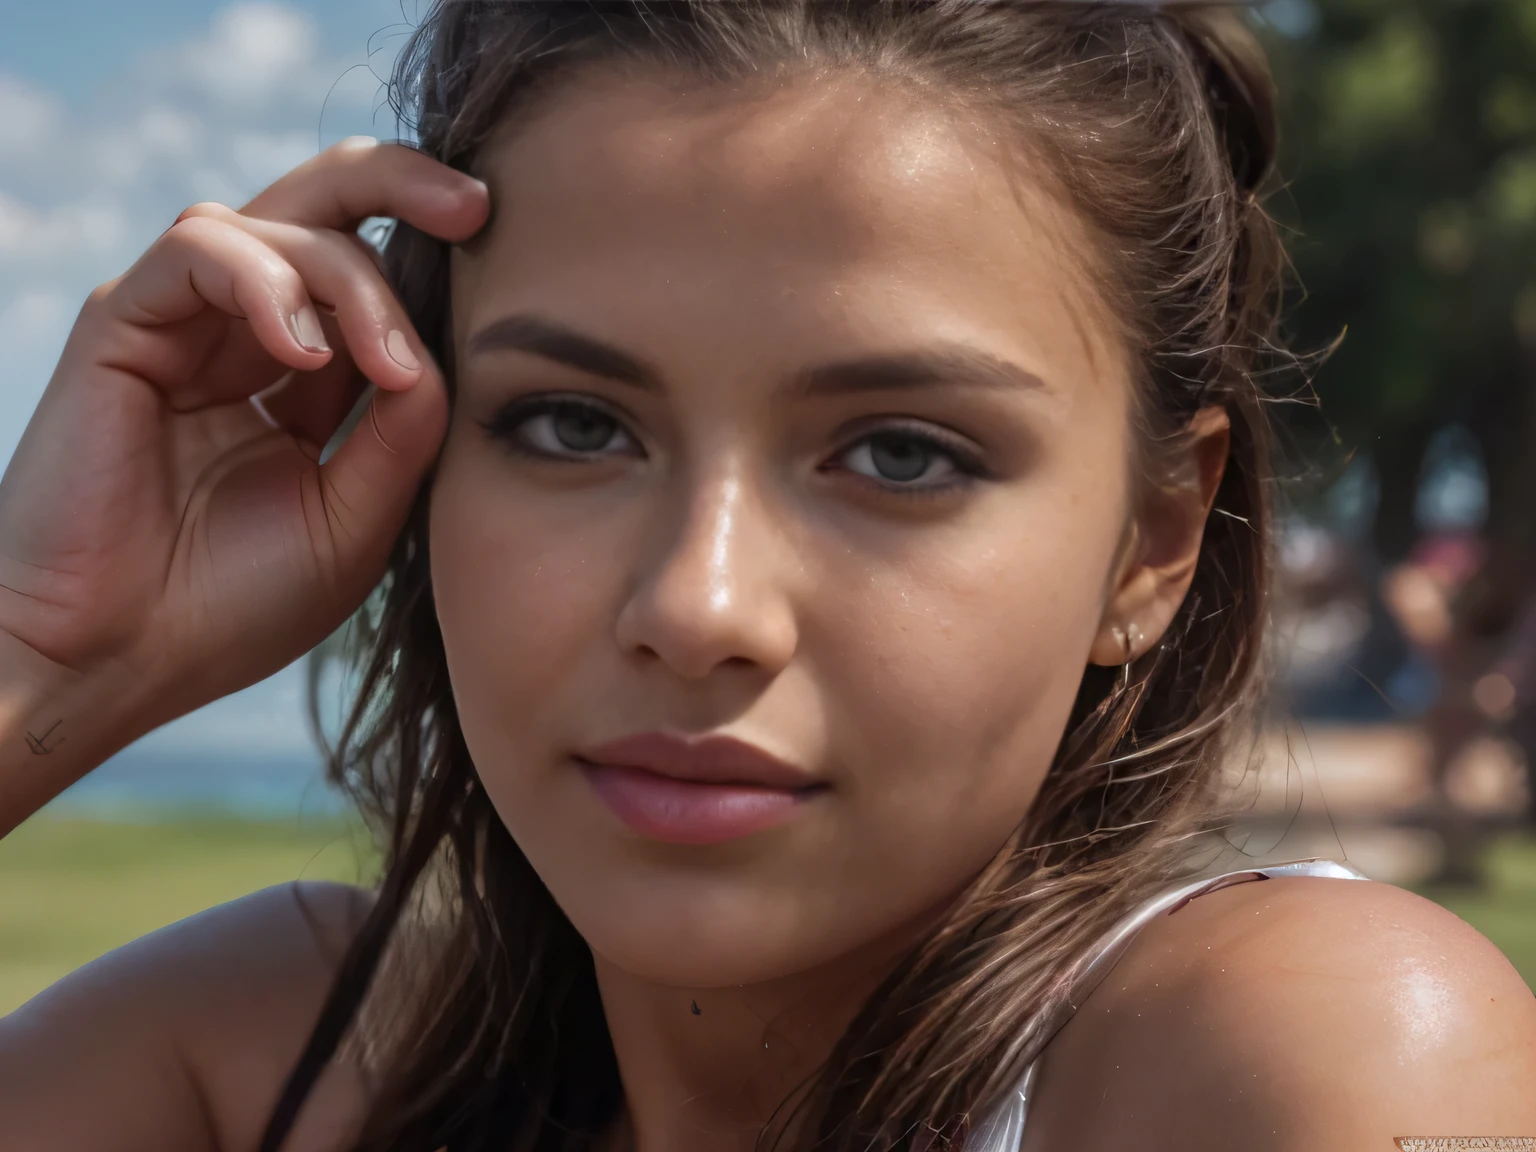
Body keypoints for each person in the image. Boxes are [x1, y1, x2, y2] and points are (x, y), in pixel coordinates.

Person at [1, 2, 1532, 1150]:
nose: (697, 605)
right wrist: (45, 661)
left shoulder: (1292, 1061)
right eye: (573, 424)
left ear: (1154, 541)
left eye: (903, 455)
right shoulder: (272, 1058)